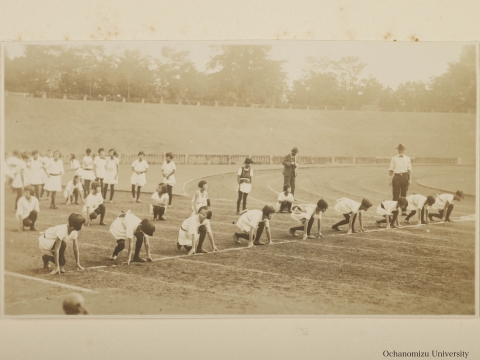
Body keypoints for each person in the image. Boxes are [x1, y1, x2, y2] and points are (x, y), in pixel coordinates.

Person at [389, 143, 412, 208]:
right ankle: (394, 209)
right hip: (396, 177)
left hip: (405, 177)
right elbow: (391, 169)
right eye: (399, 149)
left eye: (402, 149)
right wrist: (390, 179)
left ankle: (403, 210)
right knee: (395, 194)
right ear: (398, 150)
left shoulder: (407, 158)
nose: (400, 151)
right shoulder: (394, 158)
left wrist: (410, 179)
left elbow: (409, 169)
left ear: (404, 150)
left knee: (404, 194)